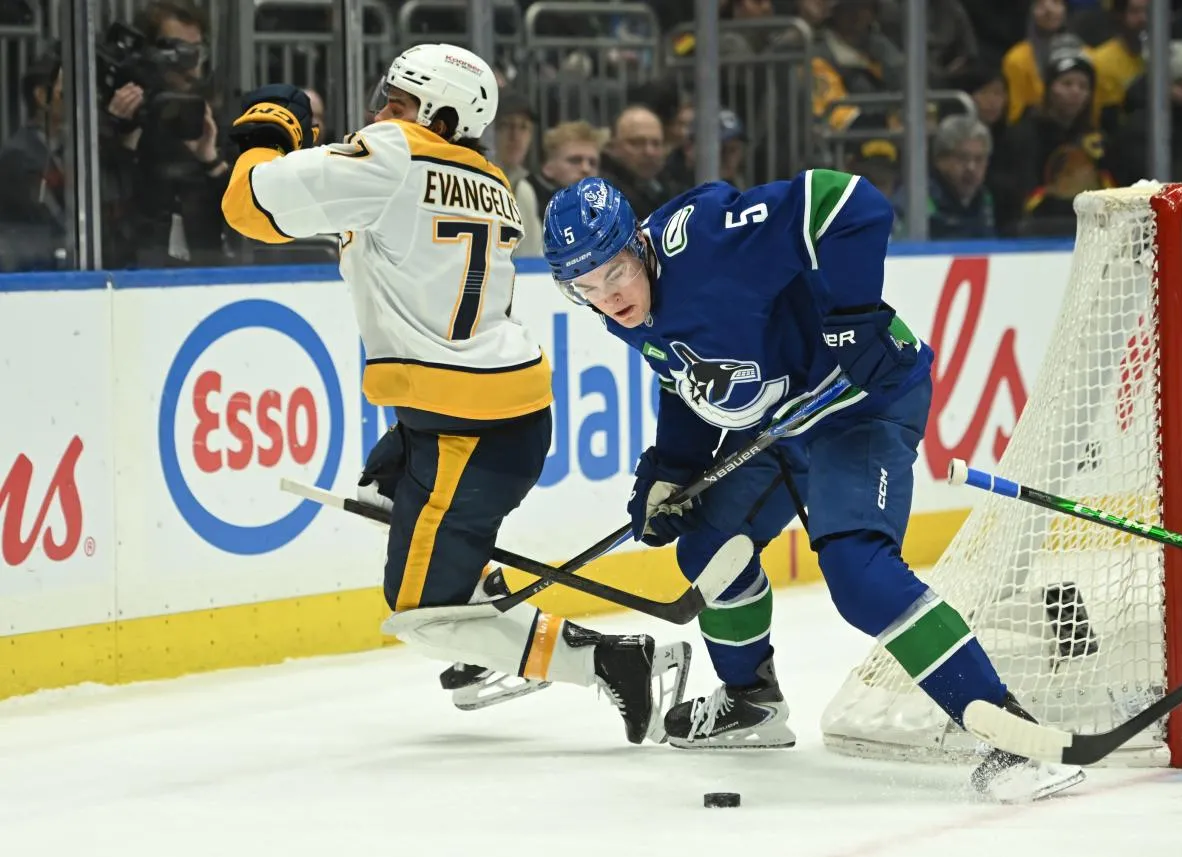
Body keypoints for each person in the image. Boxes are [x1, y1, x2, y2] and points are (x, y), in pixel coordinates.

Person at [540, 172, 1086, 801]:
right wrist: (674, 467)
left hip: (863, 402)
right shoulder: (624, 309)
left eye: (613, 273)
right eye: (585, 287)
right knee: (707, 544)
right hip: (787, 426)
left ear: (638, 242)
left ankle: (1011, 734)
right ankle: (753, 703)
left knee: (858, 574)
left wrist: (853, 317)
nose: (607, 297)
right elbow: (686, 372)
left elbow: (848, 201)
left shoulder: (710, 241)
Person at [219, 44, 690, 744]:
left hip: (465, 428)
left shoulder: (392, 154)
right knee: (384, 494)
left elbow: (246, 206)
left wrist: (268, 139)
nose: (380, 110)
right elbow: (370, 227)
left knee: (422, 612)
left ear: (438, 112)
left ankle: (618, 661)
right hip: (482, 411)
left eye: (397, 100)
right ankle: (484, 617)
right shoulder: (489, 179)